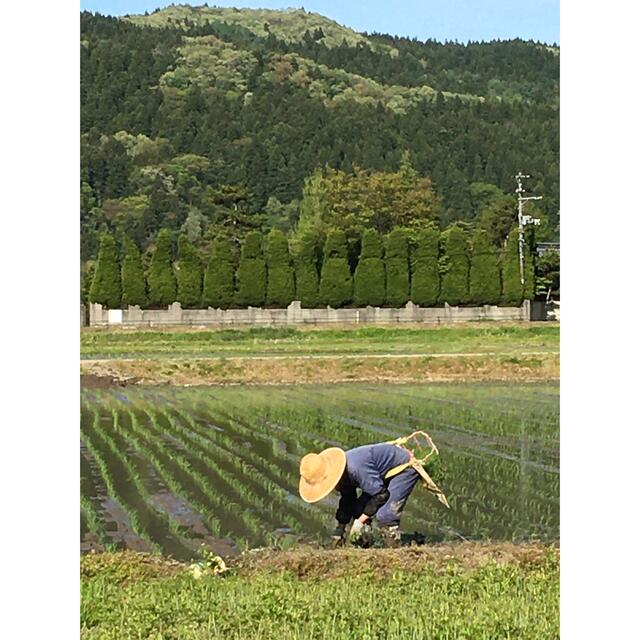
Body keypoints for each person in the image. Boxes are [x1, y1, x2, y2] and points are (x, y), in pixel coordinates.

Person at [298, 442, 420, 546]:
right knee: (358, 510)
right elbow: (348, 498)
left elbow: (381, 495)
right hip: (379, 474)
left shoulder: (355, 469)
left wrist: (359, 522)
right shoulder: (342, 473)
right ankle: (366, 543)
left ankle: (396, 549)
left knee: (385, 515)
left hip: (403, 468)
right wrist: (340, 529)